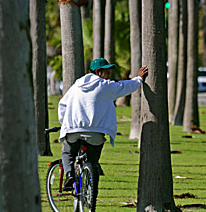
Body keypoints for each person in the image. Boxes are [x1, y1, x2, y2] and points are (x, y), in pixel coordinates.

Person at [58, 58, 148, 190]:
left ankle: (69, 174)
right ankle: (91, 190)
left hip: (73, 130)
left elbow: (63, 105)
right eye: (107, 71)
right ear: (98, 72)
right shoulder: (105, 86)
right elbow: (125, 86)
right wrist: (139, 79)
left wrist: (64, 123)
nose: (109, 74)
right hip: (95, 133)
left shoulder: (76, 85)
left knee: (68, 154)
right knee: (93, 162)